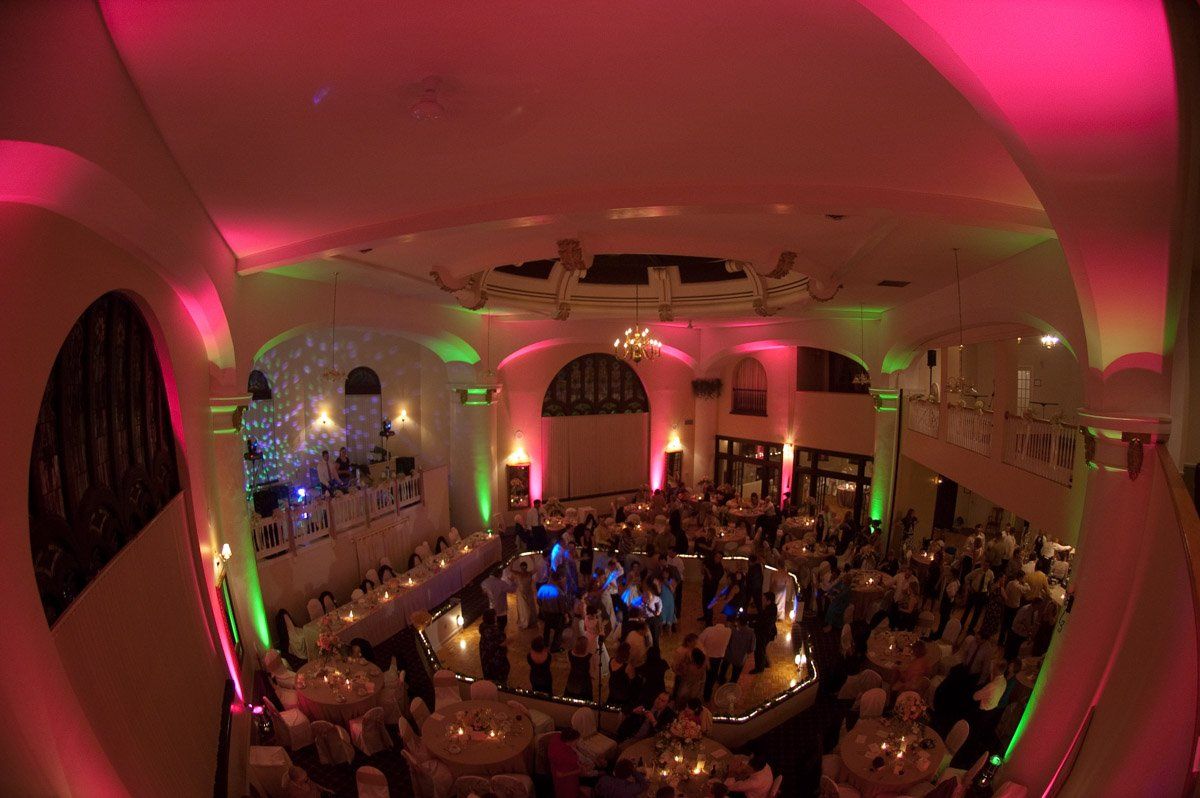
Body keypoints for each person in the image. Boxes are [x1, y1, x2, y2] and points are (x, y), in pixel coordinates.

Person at [697, 615, 732, 701]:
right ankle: (707, 695)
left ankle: (699, 691)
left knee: (702, 674)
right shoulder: (728, 631)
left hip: (706, 656)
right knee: (711, 677)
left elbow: (699, 641)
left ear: (715, 620)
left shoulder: (709, 630)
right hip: (718, 658)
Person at [962, 562, 995, 634]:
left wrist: (988, 592)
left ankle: (971, 628)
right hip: (974, 592)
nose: (985, 567)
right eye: (984, 565)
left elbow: (991, 583)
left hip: (982, 594)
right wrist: (969, 587)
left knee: (977, 613)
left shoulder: (991, 573)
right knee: (967, 609)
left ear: (989, 566)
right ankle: (961, 624)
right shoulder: (977, 571)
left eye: (987, 565)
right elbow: (967, 577)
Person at [478, 609, 509, 684]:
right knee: (497, 678)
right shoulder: (495, 632)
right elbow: (502, 642)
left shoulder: (484, 629)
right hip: (495, 659)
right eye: (495, 616)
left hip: (486, 657)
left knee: (489, 676)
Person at [722, 615, 755, 684]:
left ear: (738, 622)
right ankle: (731, 686)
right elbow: (752, 648)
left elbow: (726, 642)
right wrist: (746, 653)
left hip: (729, 655)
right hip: (740, 658)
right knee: (735, 675)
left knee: (723, 669)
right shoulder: (751, 633)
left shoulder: (732, 630)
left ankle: (721, 680)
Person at [481, 566, 516, 631]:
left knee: (493, 625)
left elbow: (483, 592)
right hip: (501, 608)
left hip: (492, 607)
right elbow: (512, 590)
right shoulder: (501, 583)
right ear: (499, 574)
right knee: (502, 624)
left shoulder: (485, 582)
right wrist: (513, 582)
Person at [750, 592, 777, 673]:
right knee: (762, 649)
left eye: (764, 599)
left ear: (769, 601)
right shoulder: (771, 607)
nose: (762, 600)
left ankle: (759, 668)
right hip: (767, 633)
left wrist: (752, 624)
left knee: (759, 650)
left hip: (764, 634)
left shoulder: (769, 610)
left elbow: (763, 623)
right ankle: (765, 663)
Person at [607, 642, 637, 709]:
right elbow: (633, 680)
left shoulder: (611, 660)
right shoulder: (628, 667)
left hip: (612, 690)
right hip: (622, 695)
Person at [512, 560, 537, 629]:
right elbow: (510, 569)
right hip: (520, 593)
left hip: (529, 592)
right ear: (520, 567)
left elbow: (536, 569)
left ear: (526, 567)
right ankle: (524, 622)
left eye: (524, 567)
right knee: (523, 608)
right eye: (522, 567)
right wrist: (512, 561)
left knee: (530, 607)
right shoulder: (518, 573)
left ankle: (530, 621)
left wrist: (533, 559)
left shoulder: (529, 573)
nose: (523, 568)